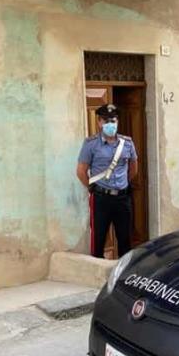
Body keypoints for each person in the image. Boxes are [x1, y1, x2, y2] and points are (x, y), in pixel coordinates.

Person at [76, 104, 138, 258]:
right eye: (106, 121)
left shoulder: (127, 143)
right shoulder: (91, 144)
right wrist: (92, 187)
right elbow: (81, 171)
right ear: (99, 122)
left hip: (123, 198)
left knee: (125, 240)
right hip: (101, 199)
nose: (110, 124)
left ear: (117, 122)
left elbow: (133, 168)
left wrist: (122, 184)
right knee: (99, 240)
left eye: (113, 120)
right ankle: (96, 269)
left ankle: (123, 270)